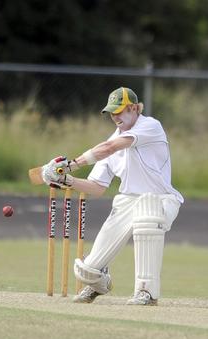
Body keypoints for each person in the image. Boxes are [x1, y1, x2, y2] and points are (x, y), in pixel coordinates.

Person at [41, 87, 183, 305]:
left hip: (160, 198)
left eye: (120, 110)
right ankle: (98, 281)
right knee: (86, 270)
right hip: (127, 201)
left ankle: (146, 291)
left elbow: (110, 147)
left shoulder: (150, 126)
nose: (115, 116)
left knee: (147, 216)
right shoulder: (109, 142)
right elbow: (97, 187)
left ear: (135, 108)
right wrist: (65, 181)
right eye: (112, 112)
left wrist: (71, 165)